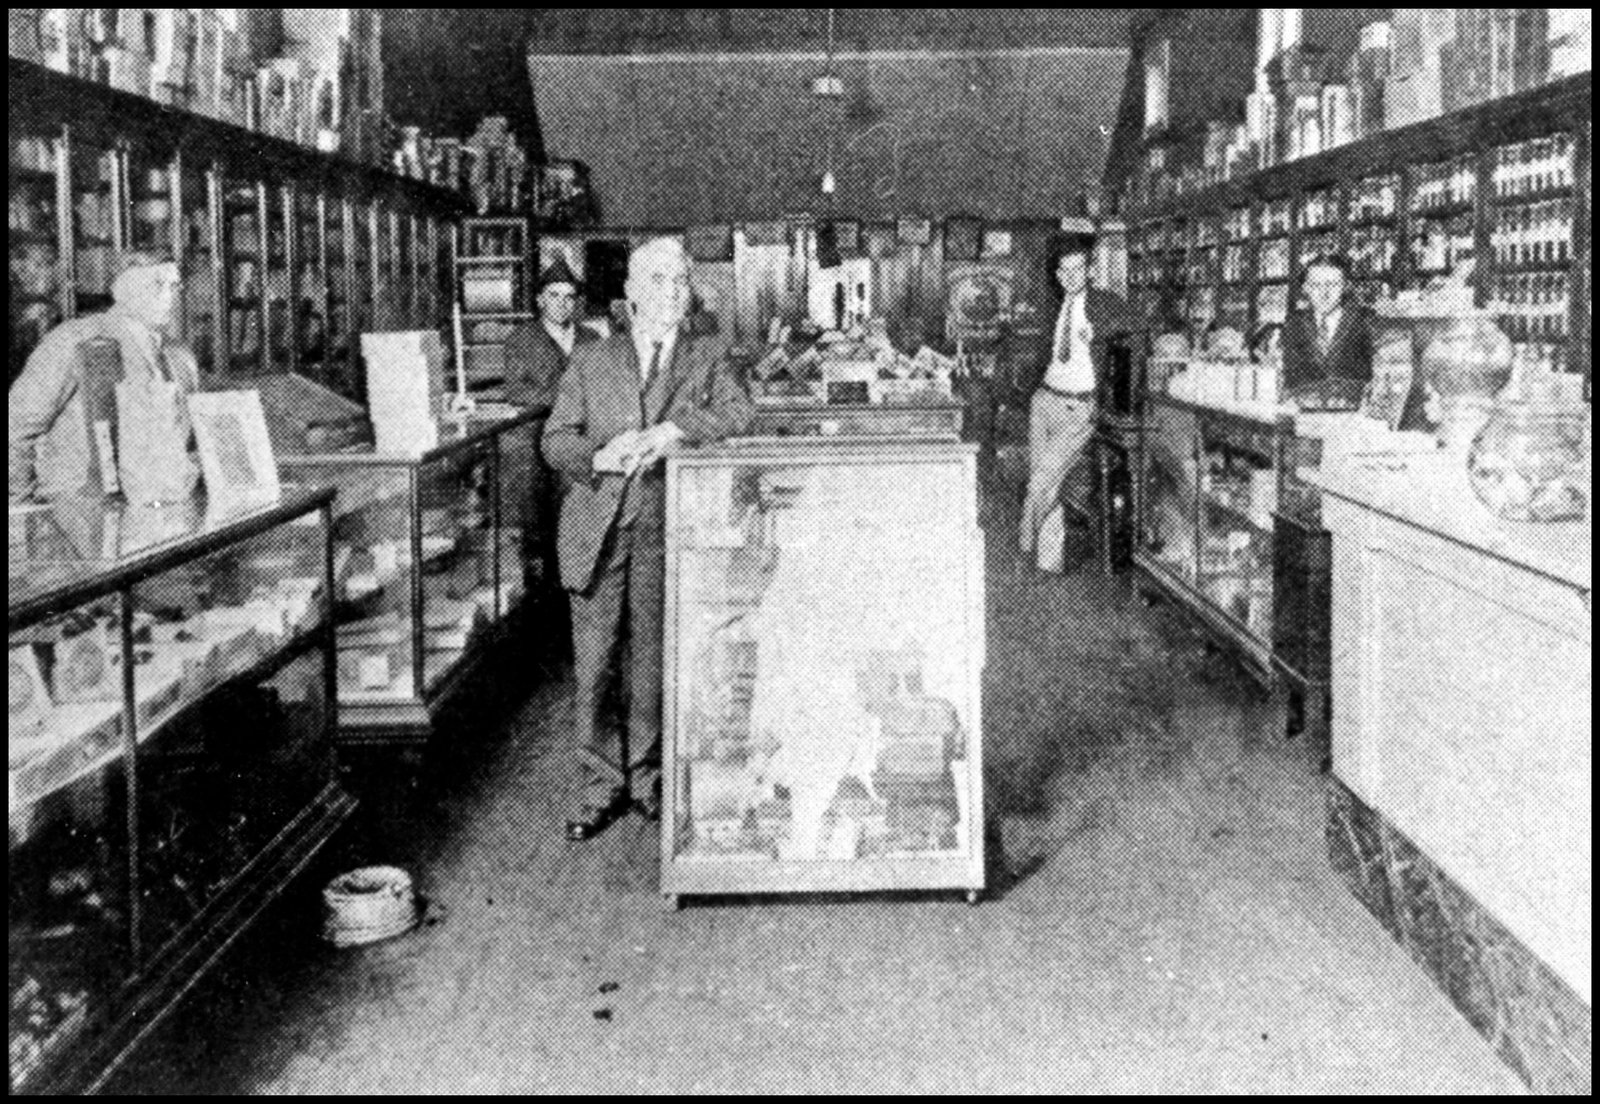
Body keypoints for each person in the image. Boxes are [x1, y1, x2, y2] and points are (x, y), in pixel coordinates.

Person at [542, 237, 755, 841]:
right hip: (598, 531)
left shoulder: (707, 353)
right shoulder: (592, 359)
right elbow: (555, 441)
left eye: (680, 281)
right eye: (658, 281)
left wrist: (673, 431)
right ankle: (599, 785)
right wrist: (599, 456)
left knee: (653, 658)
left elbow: (741, 413)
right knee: (595, 663)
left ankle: (646, 778)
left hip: (667, 529)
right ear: (631, 293)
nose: (672, 292)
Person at [9, 252, 200, 504]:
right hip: (79, 508)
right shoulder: (75, 339)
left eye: (174, 286)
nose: (169, 296)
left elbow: (187, 441)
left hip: (159, 507)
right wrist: (21, 511)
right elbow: (16, 427)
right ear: (122, 291)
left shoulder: (181, 357)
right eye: (156, 285)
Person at [1018, 231, 1141, 574]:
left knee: (1040, 482)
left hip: (1077, 408)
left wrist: (1099, 332)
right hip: (1045, 401)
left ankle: (1030, 556)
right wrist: (1035, 392)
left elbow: (1137, 325)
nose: (1070, 276)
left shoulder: (1102, 302)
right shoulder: (1057, 304)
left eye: (1077, 269)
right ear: (1058, 275)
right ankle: (1044, 559)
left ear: (1089, 270)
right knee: (1043, 481)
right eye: (1064, 270)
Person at [502, 256, 597, 411]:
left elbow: (604, 383)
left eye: (569, 297)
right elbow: (515, 391)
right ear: (540, 300)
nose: (561, 304)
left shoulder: (591, 338)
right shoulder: (521, 339)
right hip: (541, 421)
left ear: (575, 302)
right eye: (554, 295)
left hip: (587, 420)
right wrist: (564, 399)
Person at [1282, 254, 1375, 408]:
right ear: (1305, 288)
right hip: (1306, 414)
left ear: (1346, 286)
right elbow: (1289, 377)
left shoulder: (1364, 322)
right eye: (1316, 285)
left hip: (1352, 415)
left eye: (1332, 284)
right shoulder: (1295, 324)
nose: (1324, 293)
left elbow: (1377, 378)